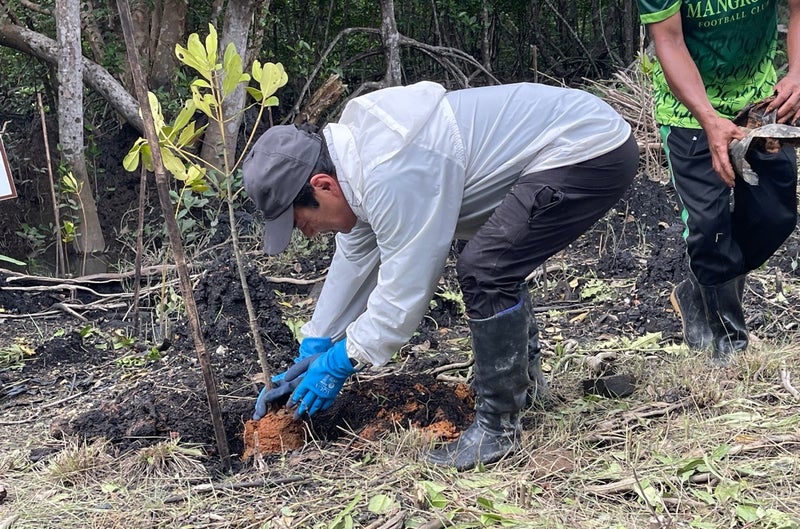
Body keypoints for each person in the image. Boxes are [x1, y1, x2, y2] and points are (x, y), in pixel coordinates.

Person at [242, 81, 638, 470]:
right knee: (490, 255)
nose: (306, 234)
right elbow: (356, 255)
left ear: (322, 185)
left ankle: (497, 429)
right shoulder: (354, 165)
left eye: (301, 221)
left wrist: (339, 362)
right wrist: (316, 343)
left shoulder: (391, 170)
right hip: (567, 145)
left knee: (487, 267)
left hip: (585, 149)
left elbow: (404, 296)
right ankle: (525, 390)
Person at [638, 0, 800, 362]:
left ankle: (695, 293)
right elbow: (668, 39)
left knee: (775, 218)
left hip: (761, 100)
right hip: (688, 110)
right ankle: (729, 345)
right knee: (709, 226)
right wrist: (709, 119)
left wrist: (797, 72)